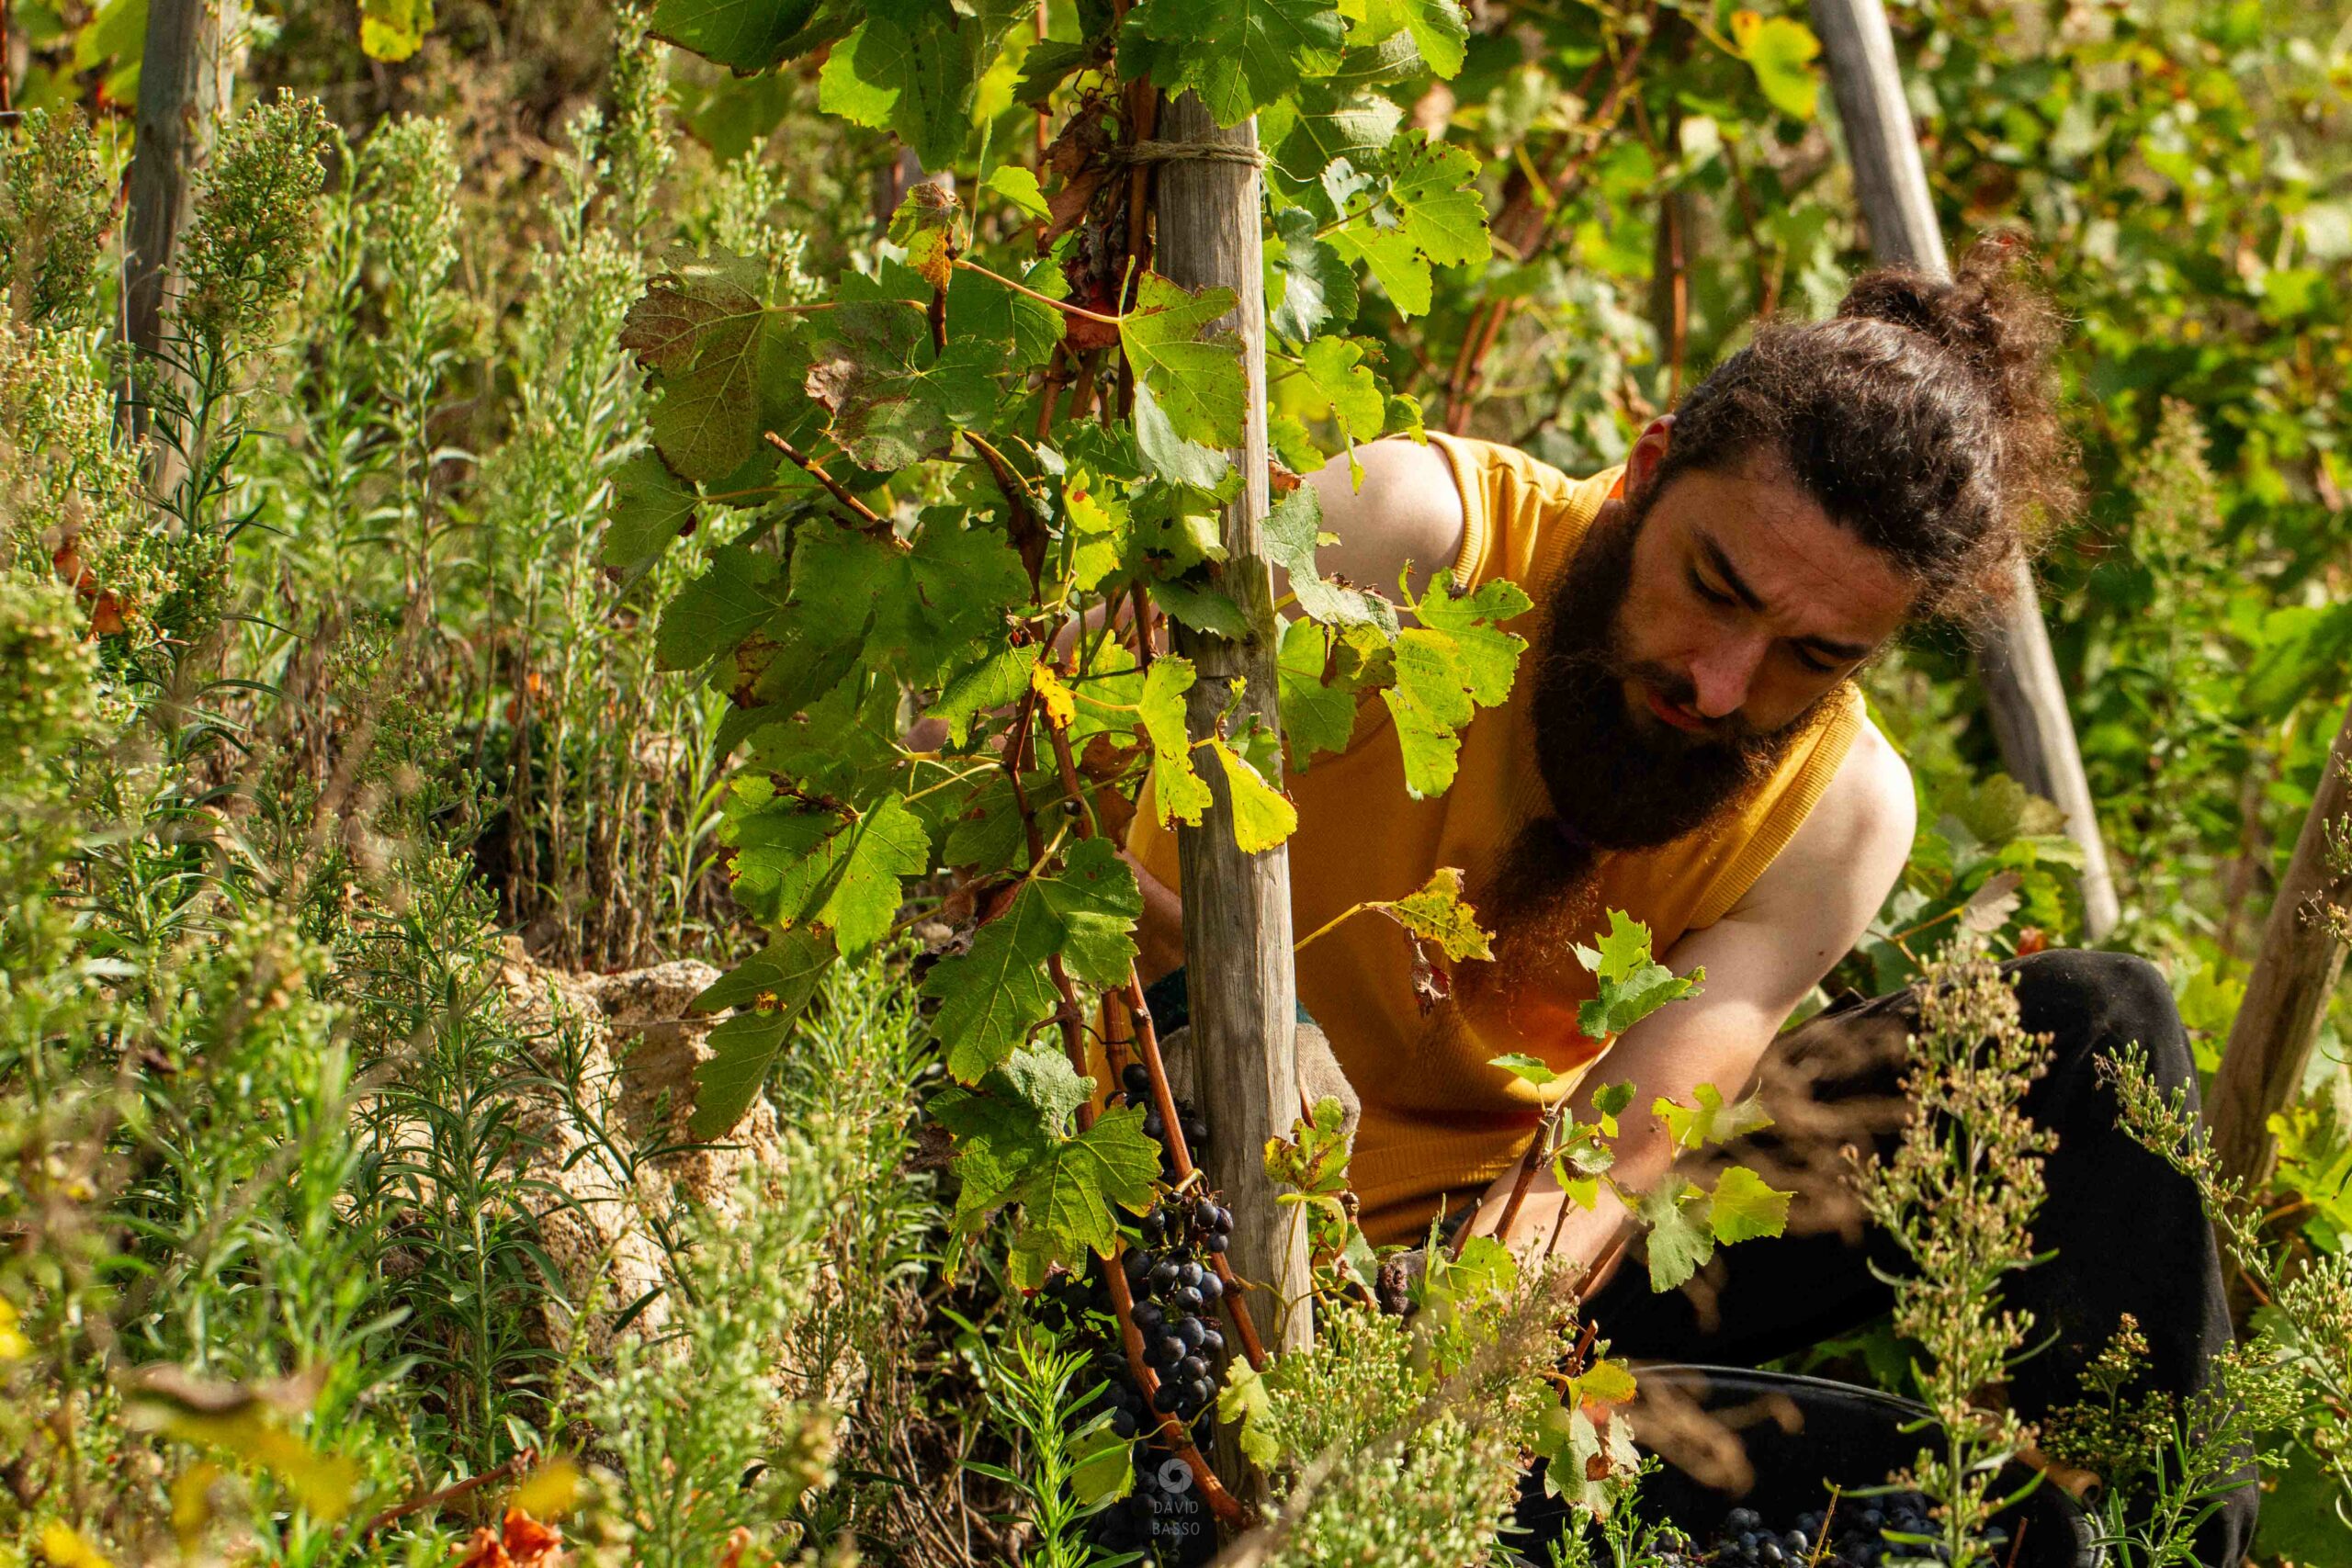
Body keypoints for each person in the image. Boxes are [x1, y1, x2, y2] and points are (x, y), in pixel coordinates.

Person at [1121, 236, 2252, 1562]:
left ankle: (2187, 1549)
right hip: (1172, 1219)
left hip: (1477, 1286)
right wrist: (1249, 1024)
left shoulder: (1844, 813)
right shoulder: (1411, 538)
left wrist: (1445, 1356)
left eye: (1813, 658)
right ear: (1647, 473)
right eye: (1713, 587)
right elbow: (1054, 860)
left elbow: (1623, 1153)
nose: (1721, 686)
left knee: (2093, 1045)